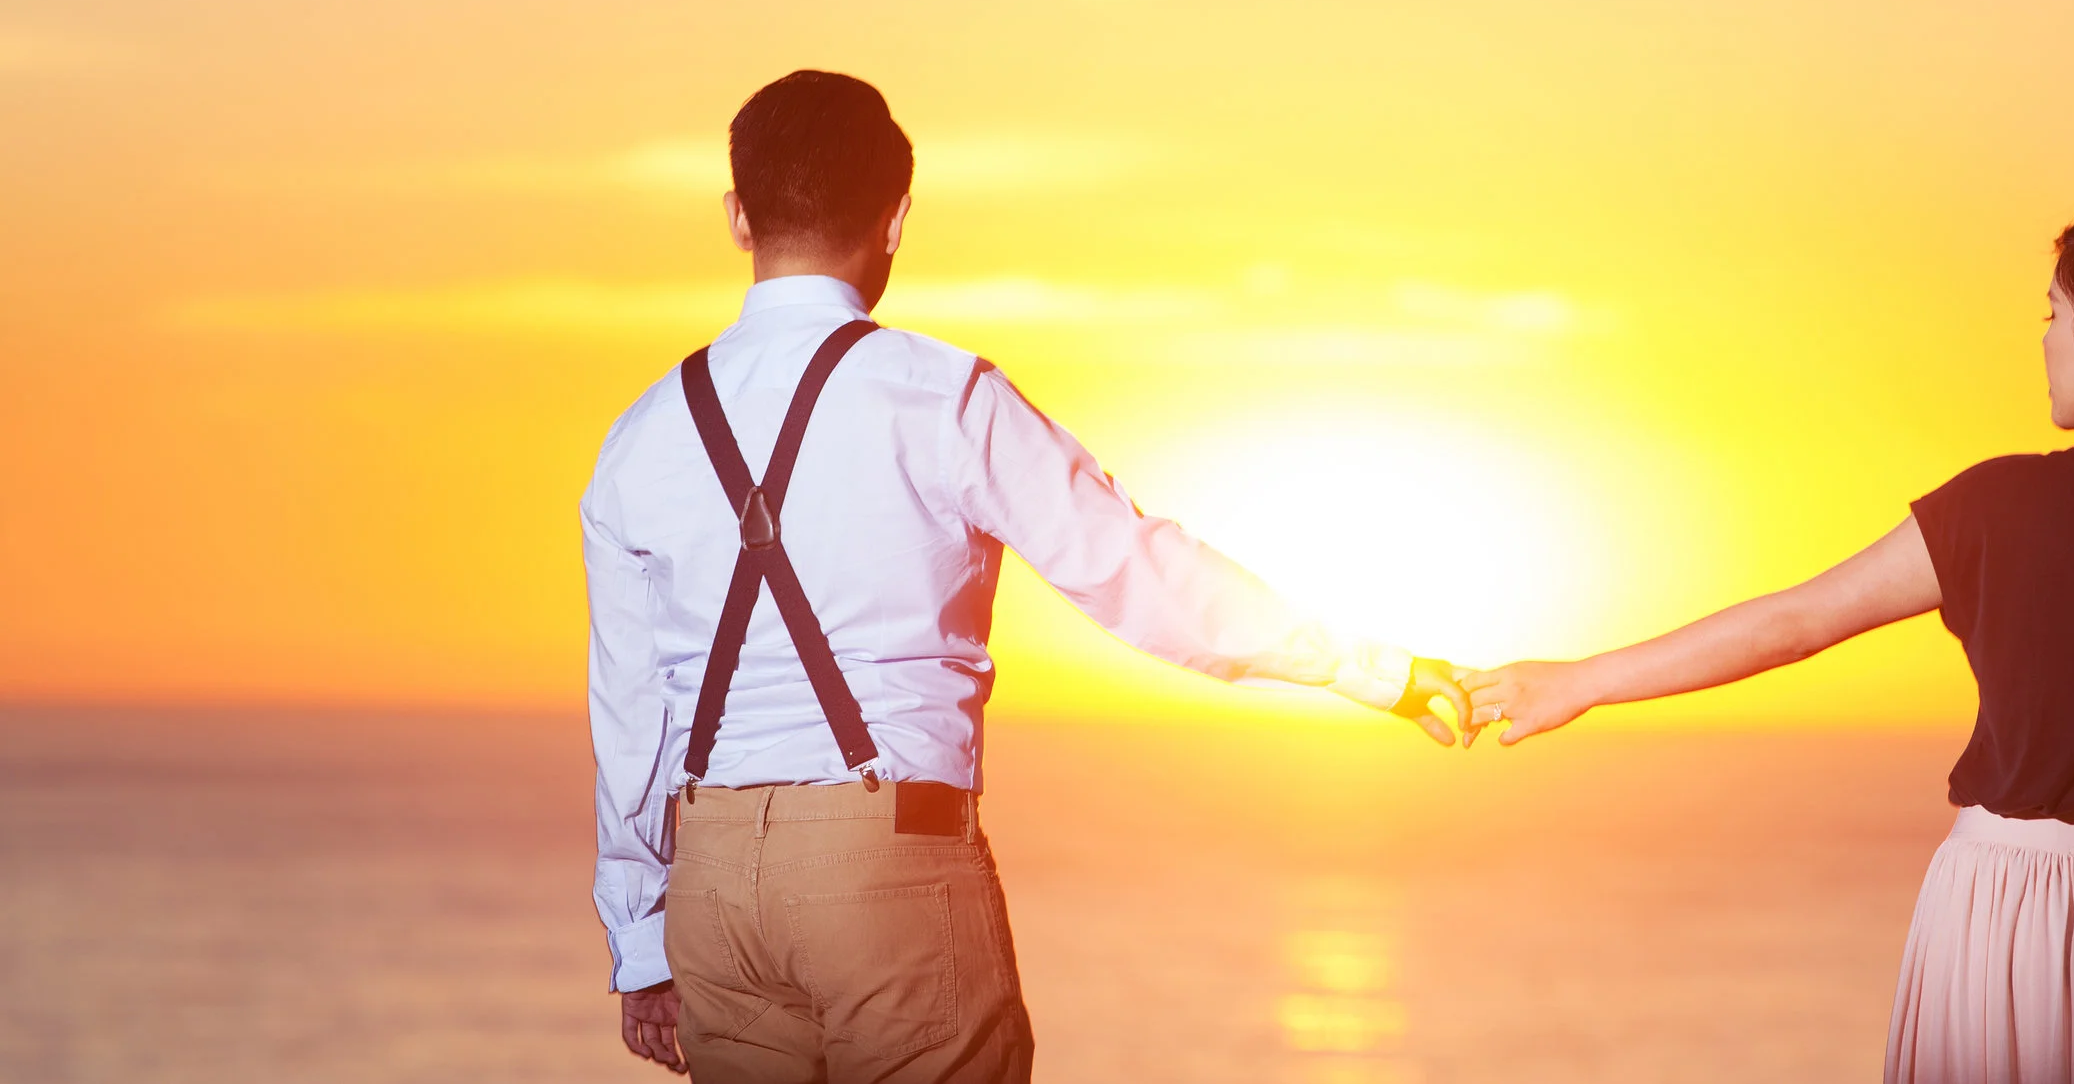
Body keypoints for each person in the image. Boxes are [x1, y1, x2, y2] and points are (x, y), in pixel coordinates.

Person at [582, 70, 1470, 1083]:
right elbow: (1136, 573)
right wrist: (1372, 670)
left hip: (712, 885)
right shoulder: (941, 393)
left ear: (739, 216)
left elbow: (629, 710)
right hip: (884, 866)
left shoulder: (640, 434)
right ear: (897, 215)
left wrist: (643, 938)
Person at [1461, 200, 2074, 1084]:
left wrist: (1575, 682)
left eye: (2054, 312)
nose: (2044, 339)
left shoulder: (1999, 506)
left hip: (2008, 911)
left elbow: (1793, 623)